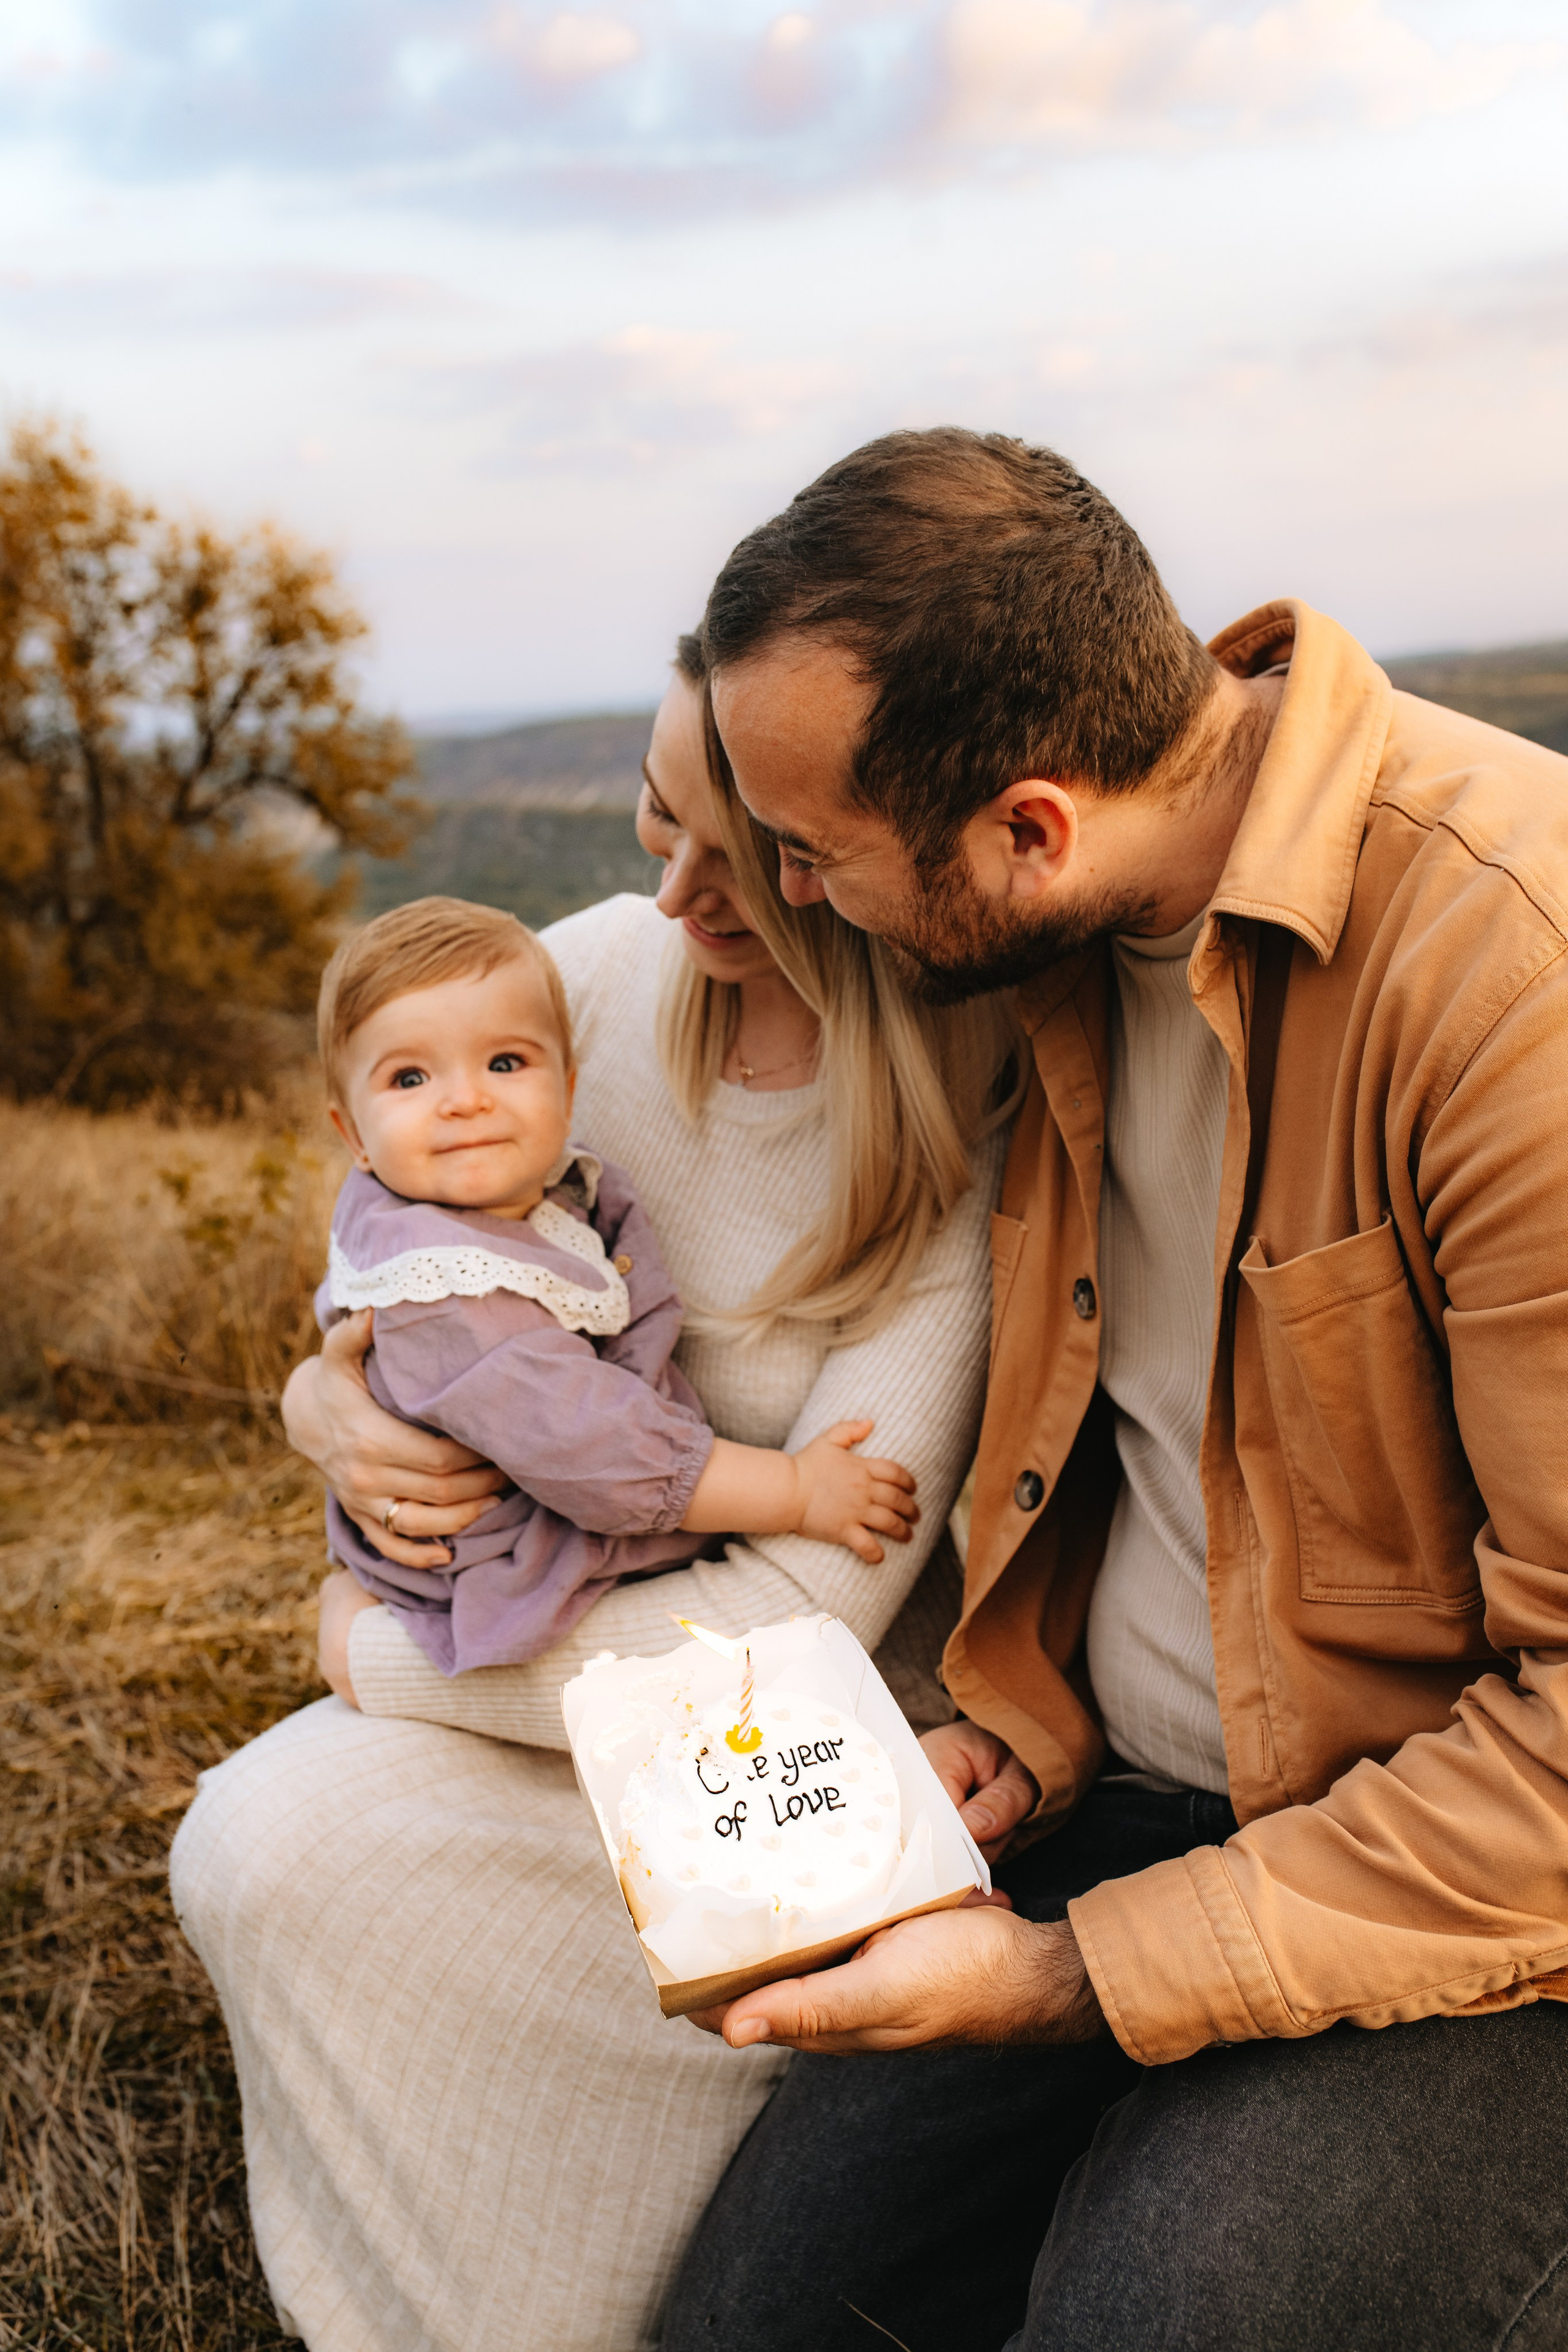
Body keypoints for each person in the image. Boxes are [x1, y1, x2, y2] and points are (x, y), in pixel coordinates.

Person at [656, 428, 1568, 2352]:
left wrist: (1069, 1978)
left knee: (1150, 2314)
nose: (788, 895)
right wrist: (377, 1365)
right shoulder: (1062, 907)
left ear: (1030, 825)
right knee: (767, 2319)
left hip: (1471, 1883)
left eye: (813, 854)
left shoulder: (1514, 980)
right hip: (1117, 1799)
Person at [170, 633, 1016, 2351]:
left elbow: (805, 1606)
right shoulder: (592, 970)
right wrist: (324, 1396)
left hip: (786, 1708)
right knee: (257, 1842)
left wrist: (368, 1649)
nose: (676, 890)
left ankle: (587, 2285)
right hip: (551, 1634)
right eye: (654, 811)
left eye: (747, 850)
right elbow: (400, 1224)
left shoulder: (951, 1105)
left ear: (854, 845)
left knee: (303, 1842)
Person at [312, 894, 918, 1673]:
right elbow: (603, 1450)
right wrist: (796, 1491)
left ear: (569, 1091)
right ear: (354, 1136)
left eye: (505, 1063)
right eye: (409, 1077)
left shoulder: (517, 1202)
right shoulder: (449, 1297)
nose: (465, 1100)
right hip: (513, 1561)